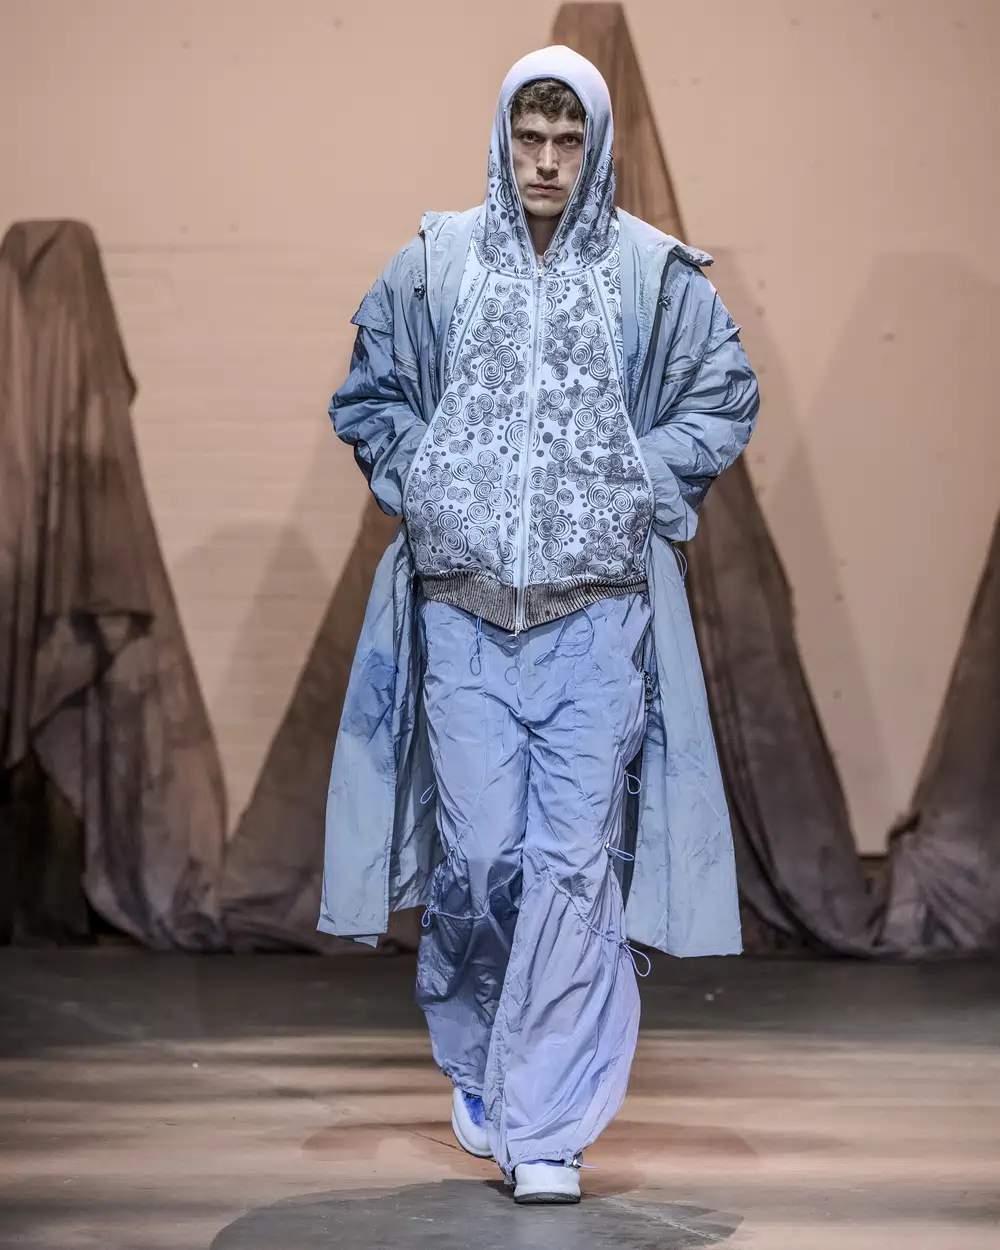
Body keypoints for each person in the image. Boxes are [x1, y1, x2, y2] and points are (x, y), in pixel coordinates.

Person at [319, 45, 758, 1204]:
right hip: (463, 615)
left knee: (569, 865)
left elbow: (723, 394)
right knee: (478, 861)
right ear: (502, 140)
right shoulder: (437, 264)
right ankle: (483, 1059)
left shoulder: (652, 274)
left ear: (595, 145)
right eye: (530, 138)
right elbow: (369, 391)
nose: (548, 162)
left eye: (569, 141)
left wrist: (636, 477)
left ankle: (550, 1122)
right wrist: (427, 480)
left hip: (597, 617)